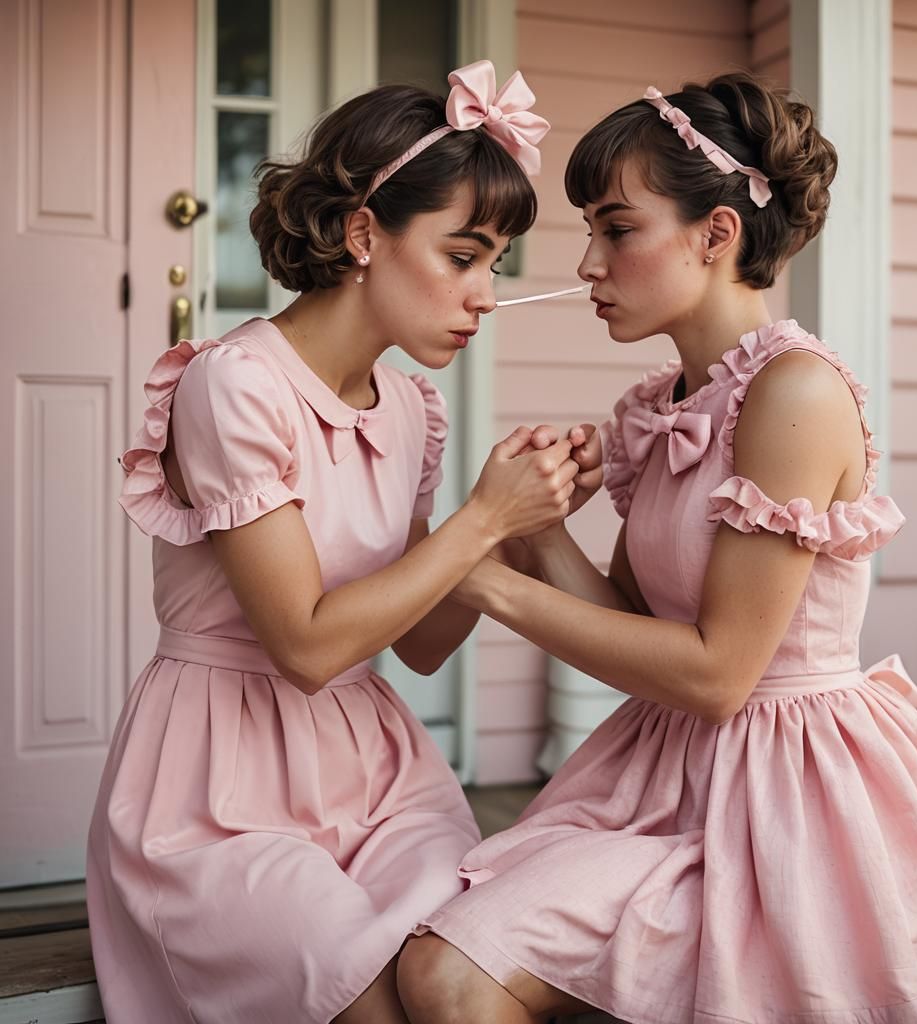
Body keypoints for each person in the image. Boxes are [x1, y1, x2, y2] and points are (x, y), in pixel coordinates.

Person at [398, 72, 917, 1024]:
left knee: (451, 978)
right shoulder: (663, 407)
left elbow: (721, 675)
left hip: (789, 799)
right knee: (438, 965)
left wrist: (490, 584)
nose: (590, 264)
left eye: (617, 228)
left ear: (716, 234)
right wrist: (536, 523)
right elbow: (630, 632)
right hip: (664, 773)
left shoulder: (796, 393)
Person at [86, 60, 585, 1024]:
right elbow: (309, 646)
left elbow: (420, 643)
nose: (484, 296)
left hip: (383, 781)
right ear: (365, 234)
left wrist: (528, 527)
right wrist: (483, 520)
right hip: (216, 795)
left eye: (495, 265)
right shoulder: (234, 386)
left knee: (463, 976)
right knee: (362, 988)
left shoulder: (413, 409)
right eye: (463, 255)